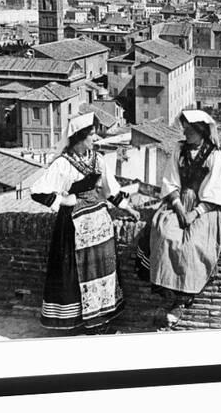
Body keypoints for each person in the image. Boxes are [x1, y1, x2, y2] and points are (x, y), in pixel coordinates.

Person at [31, 112, 140, 333]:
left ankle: (100, 321)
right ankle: (78, 323)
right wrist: (62, 199)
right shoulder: (62, 164)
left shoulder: (98, 159)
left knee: (102, 272)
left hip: (99, 226)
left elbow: (110, 189)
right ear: (80, 137)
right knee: (76, 274)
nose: (95, 139)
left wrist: (127, 208)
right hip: (73, 227)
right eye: (91, 135)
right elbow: (37, 191)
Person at [136, 109, 221, 327]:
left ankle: (182, 300)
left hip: (204, 208)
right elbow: (170, 180)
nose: (185, 132)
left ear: (201, 131)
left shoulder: (215, 156)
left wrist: (194, 213)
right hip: (178, 202)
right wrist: (178, 208)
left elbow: (214, 191)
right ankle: (168, 295)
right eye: (184, 128)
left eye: (190, 130)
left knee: (192, 245)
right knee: (164, 234)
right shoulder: (179, 149)